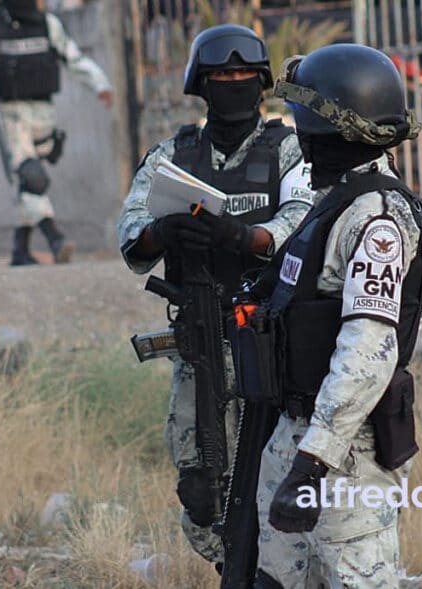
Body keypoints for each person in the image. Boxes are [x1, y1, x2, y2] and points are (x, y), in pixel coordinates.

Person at [117, 24, 314, 568]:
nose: (232, 83)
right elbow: (132, 238)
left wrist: (244, 237)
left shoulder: (290, 149)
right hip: (198, 342)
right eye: (221, 75)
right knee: (202, 494)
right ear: (201, 85)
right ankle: (235, 566)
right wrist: (165, 233)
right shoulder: (172, 154)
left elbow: (300, 222)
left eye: (243, 75)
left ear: (260, 83)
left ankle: (272, 570)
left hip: (268, 339)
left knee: (272, 475)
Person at [247, 44, 422, 587]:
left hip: (343, 458)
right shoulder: (334, 199)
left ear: (341, 130)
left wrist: (311, 467)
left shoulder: (377, 218)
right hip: (298, 433)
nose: (300, 136)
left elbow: (369, 351)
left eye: (308, 123)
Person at [0, 0, 114, 266]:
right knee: (31, 176)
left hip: (44, 112)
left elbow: (74, 58)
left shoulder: (48, 24)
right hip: (10, 113)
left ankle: (19, 249)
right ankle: (55, 238)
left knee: (26, 182)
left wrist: (100, 85)